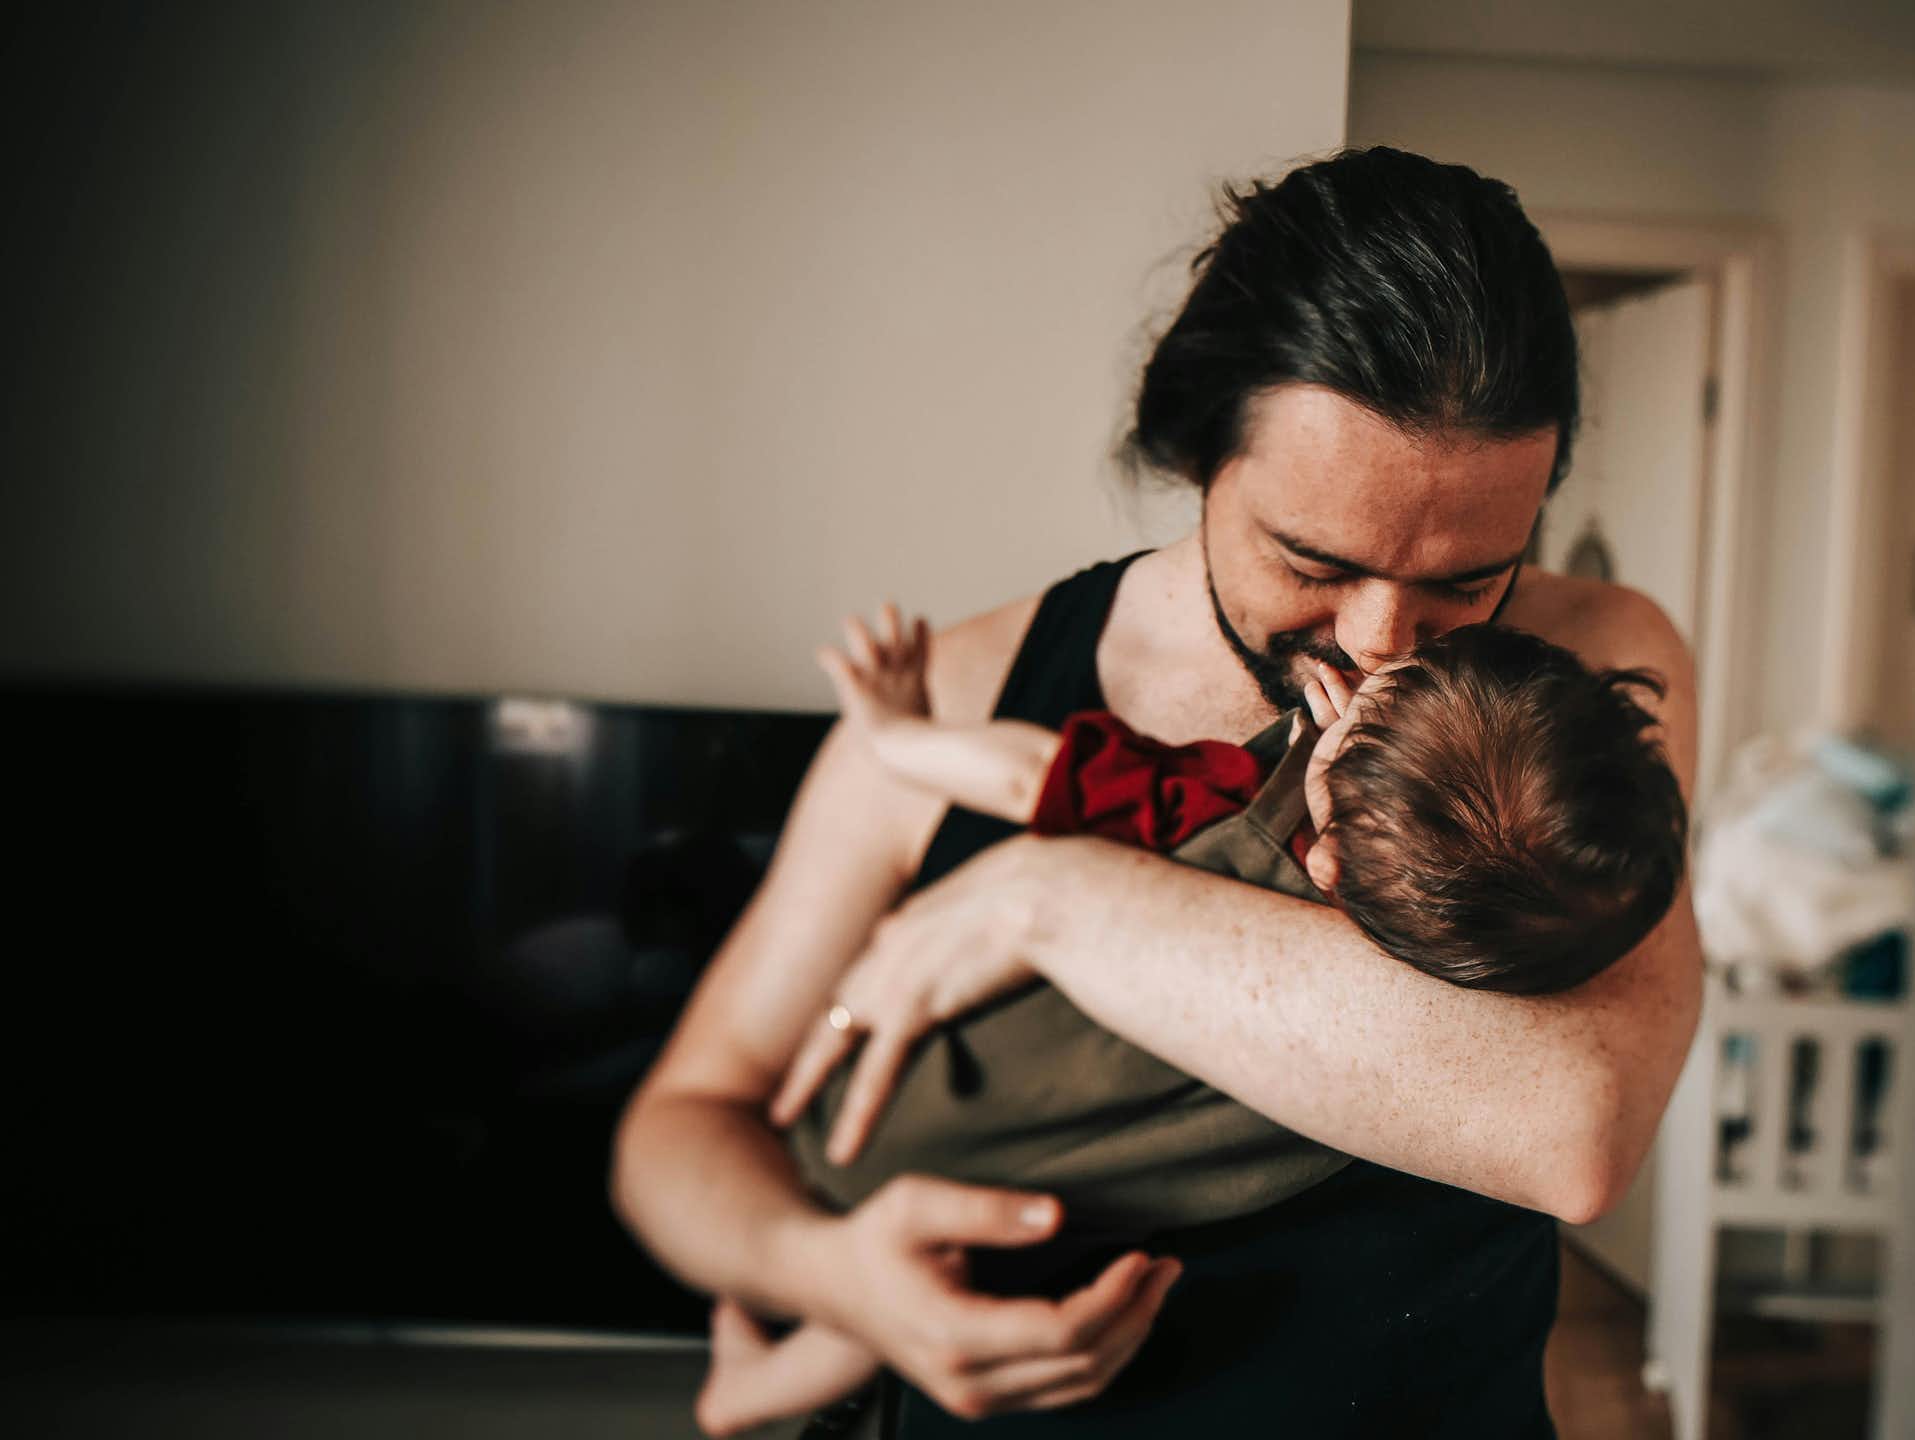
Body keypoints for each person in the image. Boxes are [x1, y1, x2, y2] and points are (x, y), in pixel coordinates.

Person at [611, 145, 1706, 1437]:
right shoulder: (960, 697)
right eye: (1313, 558)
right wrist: (831, 1276)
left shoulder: (1590, 675)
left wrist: (1055, 896)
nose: (1382, 642)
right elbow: (678, 1134)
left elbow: (1568, 1128)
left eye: (1471, 578)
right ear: (1197, 454)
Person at [693, 607, 1688, 1435]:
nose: (1373, 645)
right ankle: (773, 1384)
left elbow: (1035, 776)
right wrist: (1361, 764)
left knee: (940, 1255)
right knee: (988, 1265)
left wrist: (904, 734)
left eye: (1385, 694)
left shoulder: (1223, 812)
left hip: (914, 1119)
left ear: (1327, 856)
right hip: (1059, 1194)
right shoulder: (1451, 999)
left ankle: (758, 1386)